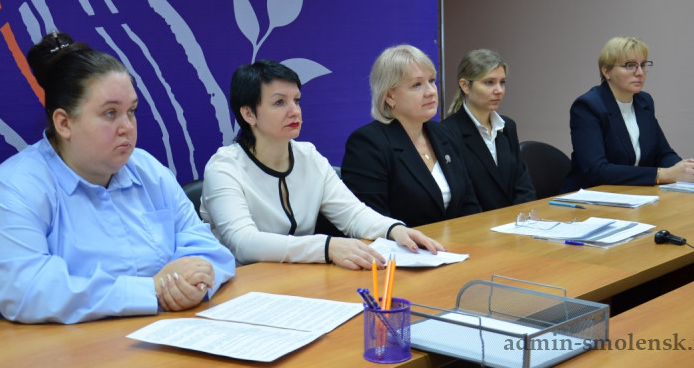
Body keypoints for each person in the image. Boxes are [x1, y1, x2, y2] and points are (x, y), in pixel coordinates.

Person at [0, 32, 235, 324]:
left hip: (145, 326)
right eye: (110, 113)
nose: (127, 127)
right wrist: (153, 290)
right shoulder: (13, 190)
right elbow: (30, 290)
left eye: (131, 111)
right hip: (26, 338)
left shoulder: (148, 170)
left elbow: (209, 249)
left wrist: (192, 284)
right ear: (64, 123)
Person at [200, 60, 444, 268]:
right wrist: (326, 247)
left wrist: (395, 230)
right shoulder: (224, 168)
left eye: (297, 100)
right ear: (248, 114)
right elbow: (244, 244)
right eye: (279, 102)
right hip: (241, 285)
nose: (294, 111)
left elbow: (353, 214)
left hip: (297, 279)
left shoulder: (308, 156)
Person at [341, 45, 481, 228]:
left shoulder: (444, 134)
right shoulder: (368, 144)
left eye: (432, 81)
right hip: (403, 245)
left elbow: (469, 205)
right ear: (389, 97)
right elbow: (373, 222)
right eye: (417, 85)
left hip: (457, 242)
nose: (431, 91)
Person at [561, 36, 694, 191]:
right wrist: (663, 174)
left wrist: (685, 169)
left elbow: (662, 153)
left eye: (643, 65)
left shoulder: (644, 102)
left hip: (633, 193)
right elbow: (597, 170)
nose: (640, 73)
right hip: (590, 196)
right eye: (630, 66)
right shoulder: (588, 106)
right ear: (607, 71)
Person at [442, 49, 536, 211]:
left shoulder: (507, 126)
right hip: (478, 222)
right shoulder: (447, 132)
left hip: (515, 221)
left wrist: (520, 219)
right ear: (465, 86)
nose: (499, 90)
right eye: (489, 82)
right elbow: (462, 197)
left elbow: (523, 185)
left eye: (502, 82)